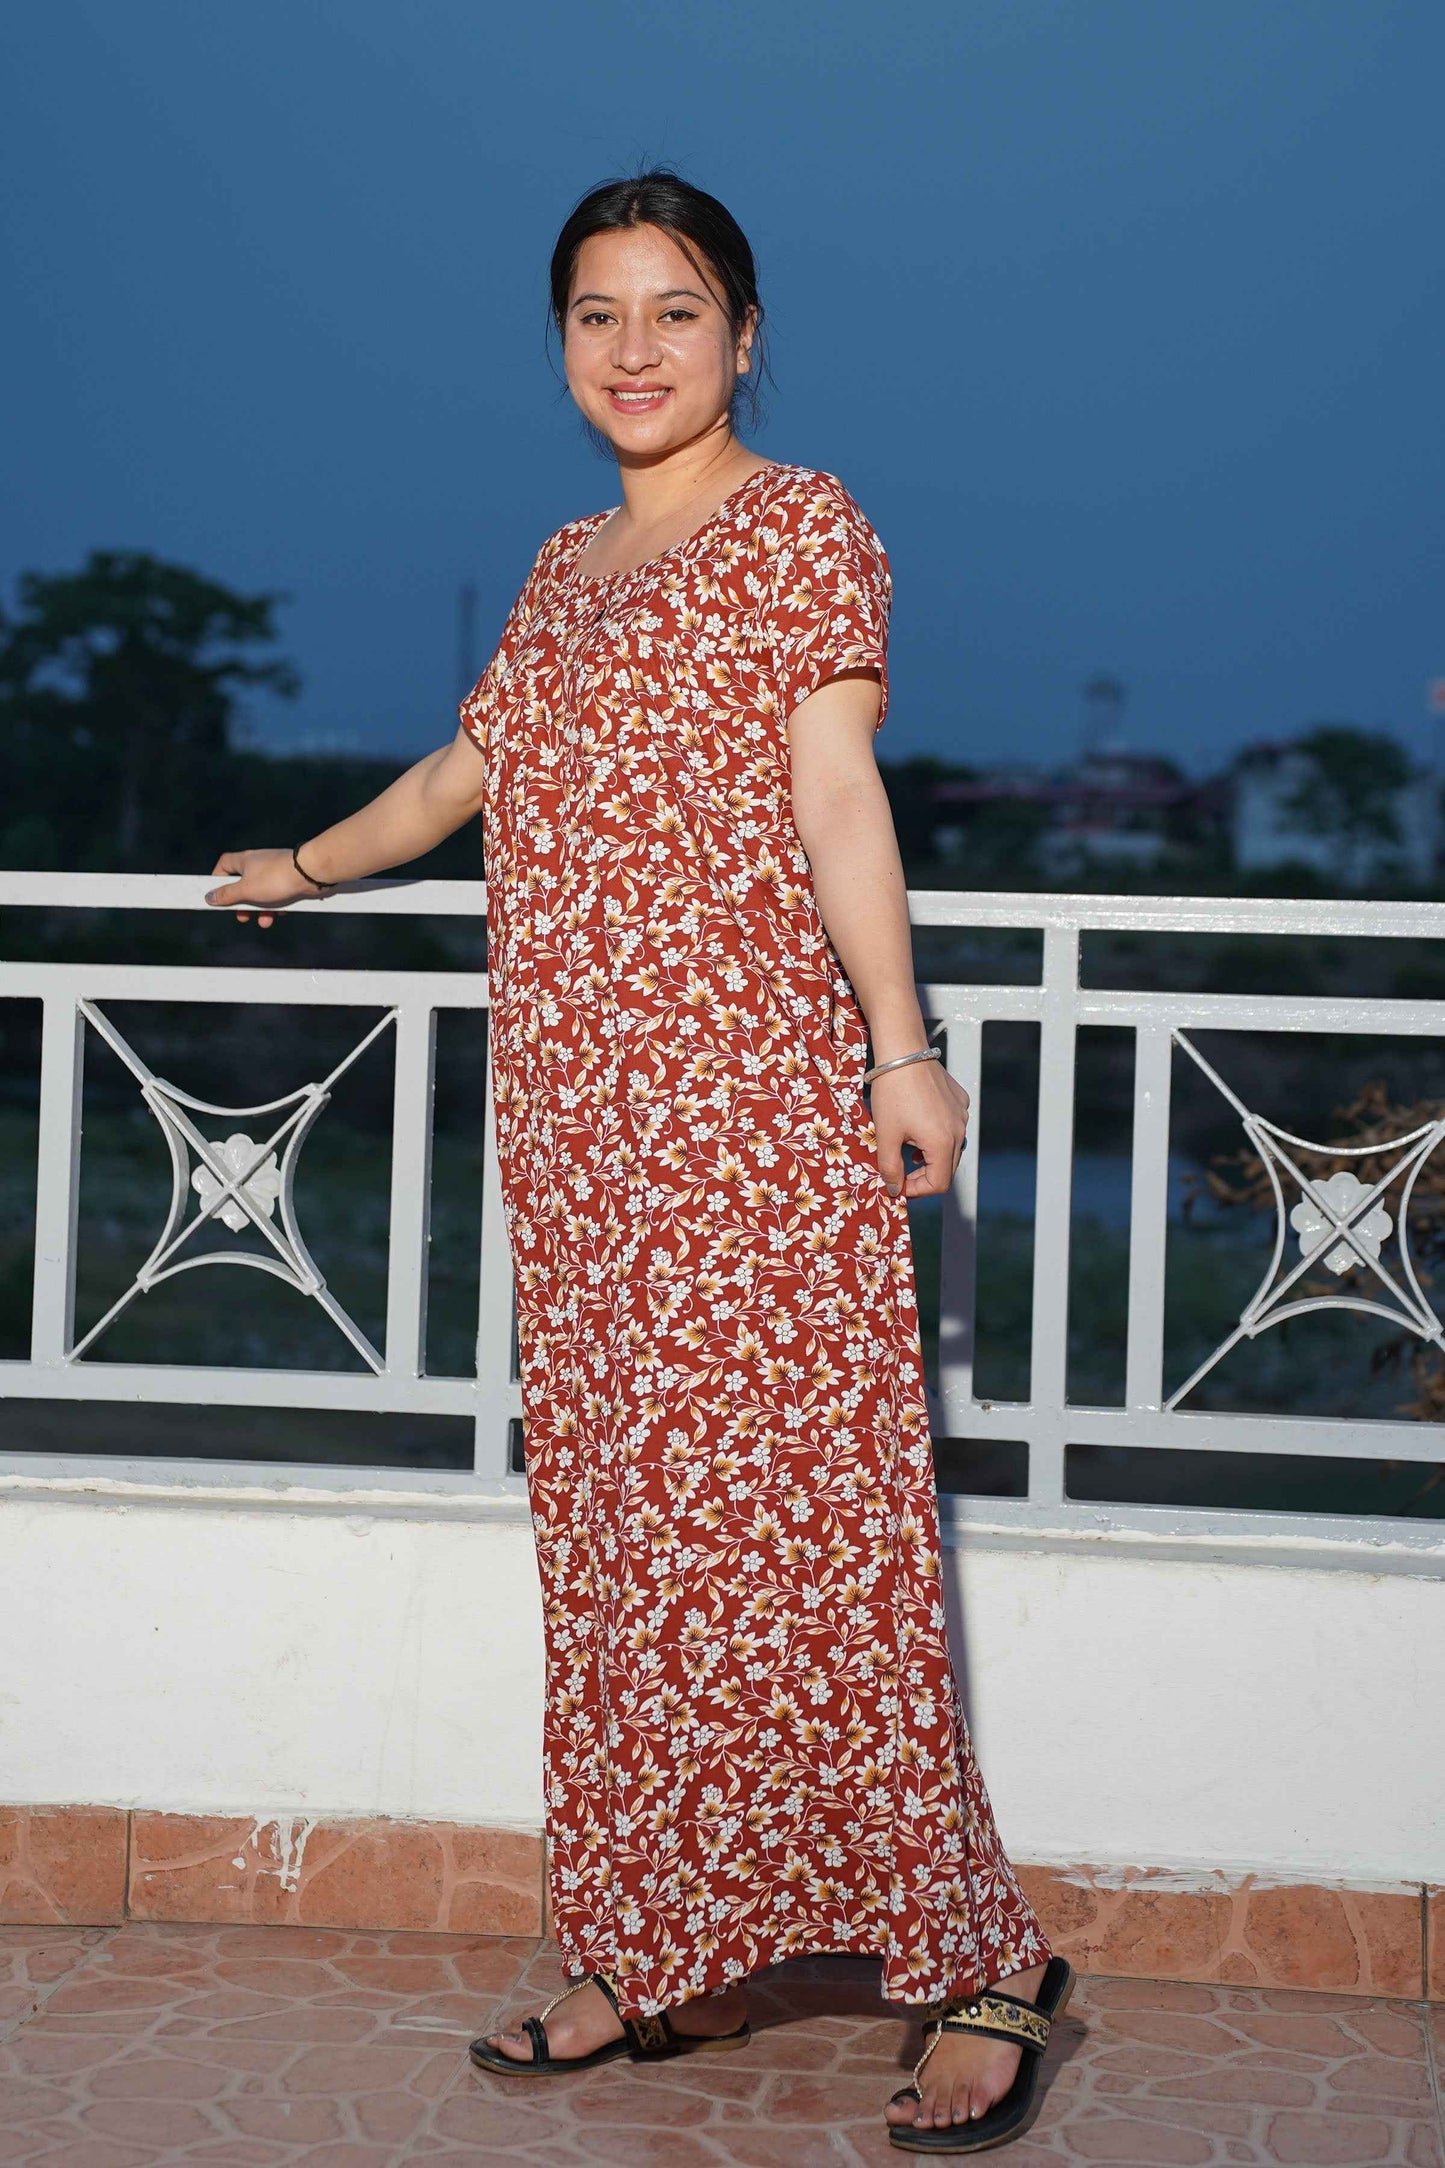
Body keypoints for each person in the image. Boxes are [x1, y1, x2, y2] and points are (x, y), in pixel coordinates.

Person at [207, 167, 1070, 2154]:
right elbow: (467, 774)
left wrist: (904, 1047)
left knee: (816, 1540)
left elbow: (838, 800)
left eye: (675, 310)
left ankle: (980, 1959)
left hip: (750, 1124)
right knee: (623, 1551)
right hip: (583, 1139)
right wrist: (306, 867)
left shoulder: (801, 526)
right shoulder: (560, 564)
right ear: (560, 345)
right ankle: (645, 1939)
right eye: (596, 313)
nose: (634, 347)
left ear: (743, 337)